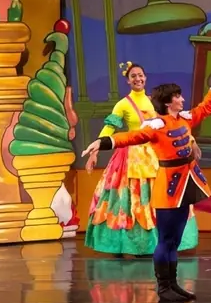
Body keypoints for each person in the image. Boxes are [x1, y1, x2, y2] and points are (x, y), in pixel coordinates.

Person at [82, 66, 211, 302]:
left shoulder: (185, 118)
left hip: (187, 184)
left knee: (175, 239)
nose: (182, 99)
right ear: (169, 102)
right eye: (178, 96)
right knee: (166, 239)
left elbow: (207, 106)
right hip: (169, 187)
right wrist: (101, 143)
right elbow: (129, 137)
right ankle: (163, 287)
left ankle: (174, 284)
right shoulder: (156, 127)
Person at [84, 61, 199, 257]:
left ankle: (164, 240)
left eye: (140, 75)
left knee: (160, 196)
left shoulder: (154, 101)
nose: (138, 79)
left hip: (155, 155)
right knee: (132, 198)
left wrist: (192, 142)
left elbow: (170, 124)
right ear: (128, 81)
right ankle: (133, 244)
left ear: (145, 78)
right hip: (132, 157)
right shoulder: (123, 104)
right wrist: (95, 152)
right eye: (133, 76)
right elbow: (109, 128)